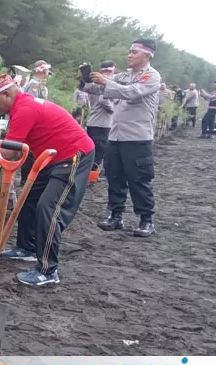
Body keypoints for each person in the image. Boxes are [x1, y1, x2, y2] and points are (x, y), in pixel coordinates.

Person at [0, 74, 95, 286]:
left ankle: (48, 271)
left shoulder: (24, 109)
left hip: (72, 155)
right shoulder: (20, 107)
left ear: (6, 94)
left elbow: (10, 153)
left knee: (48, 208)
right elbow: (19, 148)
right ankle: (27, 248)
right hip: (48, 157)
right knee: (27, 200)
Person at [81, 38, 161, 238]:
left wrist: (106, 81)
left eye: (134, 52)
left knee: (139, 179)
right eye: (129, 51)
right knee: (114, 177)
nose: (129, 55)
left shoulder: (151, 76)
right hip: (115, 136)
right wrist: (86, 79)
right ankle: (116, 216)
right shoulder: (124, 75)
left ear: (147, 55)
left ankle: (146, 220)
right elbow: (100, 89)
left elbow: (131, 93)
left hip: (137, 137)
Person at [83, 60, 116, 172]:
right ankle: (92, 172)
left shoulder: (96, 82)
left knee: (92, 149)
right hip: (103, 123)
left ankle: (89, 171)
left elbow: (86, 89)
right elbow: (103, 100)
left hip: (93, 121)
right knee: (99, 150)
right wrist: (114, 109)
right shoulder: (107, 82)